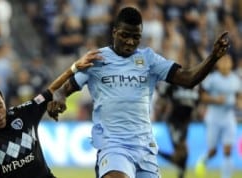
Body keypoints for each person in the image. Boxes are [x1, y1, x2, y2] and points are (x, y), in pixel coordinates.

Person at [47, 6, 230, 178]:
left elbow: (189, 79)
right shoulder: (96, 59)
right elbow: (64, 90)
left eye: (136, 37)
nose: (130, 42)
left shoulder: (149, 59)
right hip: (113, 144)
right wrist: (60, 99)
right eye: (125, 35)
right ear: (114, 33)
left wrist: (212, 58)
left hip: (145, 147)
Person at [0, 50, 102, 178]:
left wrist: (74, 68)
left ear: (4, 101)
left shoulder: (23, 113)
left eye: (0, 106)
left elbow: (50, 91)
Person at [195, 54, 241, 178]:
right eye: (223, 61)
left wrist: (239, 104)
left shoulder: (236, 80)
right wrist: (216, 100)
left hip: (228, 118)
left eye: (228, 61)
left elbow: (239, 97)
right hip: (213, 119)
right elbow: (202, 97)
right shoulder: (212, 79)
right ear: (218, 64)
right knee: (213, 151)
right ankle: (203, 160)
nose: (226, 64)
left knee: (228, 150)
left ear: (232, 64)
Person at [157, 83, 199, 178]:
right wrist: (162, 110)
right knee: (182, 150)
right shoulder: (173, 84)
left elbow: (196, 102)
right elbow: (162, 97)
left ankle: (158, 152)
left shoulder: (194, 83)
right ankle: (180, 174)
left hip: (185, 122)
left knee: (181, 154)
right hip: (174, 122)